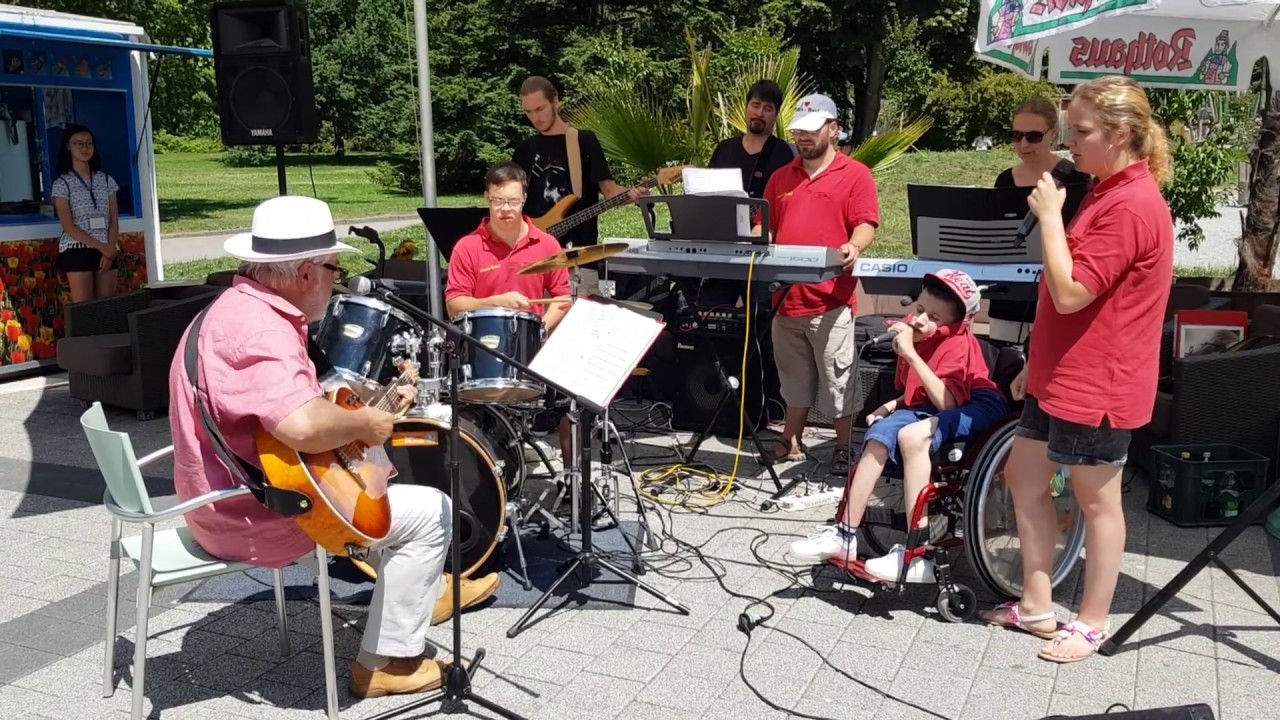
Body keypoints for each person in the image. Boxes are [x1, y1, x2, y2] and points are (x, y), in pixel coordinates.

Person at [168, 196, 500, 699]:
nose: (338, 278)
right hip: (253, 514)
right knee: (433, 512)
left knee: (377, 489)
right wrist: (365, 421)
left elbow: (287, 416)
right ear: (305, 273)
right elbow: (301, 425)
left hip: (223, 496)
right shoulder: (261, 331)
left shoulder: (233, 309)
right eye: (333, 269)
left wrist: (362, 417)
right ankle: (387, 663)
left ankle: (422, 591)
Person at [978, 76, 1174, 664]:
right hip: (1060, 372)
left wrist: (1049, 218)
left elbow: (1070, 293)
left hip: (1098, 382)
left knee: (1097, 502)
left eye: (1081, 132)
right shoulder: (1105, 191)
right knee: (1024, 479)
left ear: (1120, 134)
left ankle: (1091, 623)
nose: (1071, 144)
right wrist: (1037, 362)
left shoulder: (1132, 204)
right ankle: (1037, 604)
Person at [788, 270, 1008, 582]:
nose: (920, 320)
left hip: (977, 404)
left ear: (954, 325)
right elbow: (921, 394)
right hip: (933, 404)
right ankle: (845, 534)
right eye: (919, 309)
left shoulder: (956, 345)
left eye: (934, 318)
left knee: (912, 436)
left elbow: (948, 403)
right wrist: (891, 406)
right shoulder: (919, 334)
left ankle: (917, 553)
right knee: (879, 434)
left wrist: (912, 355)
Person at [762, 93, 879, 476]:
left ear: (834, 129)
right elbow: (765, 226)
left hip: (831, 300)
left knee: (838, 381)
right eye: (799, 131)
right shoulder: (781, 176)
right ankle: (790, 441)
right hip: (785, 300)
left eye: (812, 130)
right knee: (792, 380)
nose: (803, 137)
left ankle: (844, 448)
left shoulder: (856, 174)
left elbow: (866, 222)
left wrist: (854, 245)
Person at [445, 161, 575, 462]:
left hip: (534, 346)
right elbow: (454, 304)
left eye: (513, 201)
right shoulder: (467, 247)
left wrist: (539, 330)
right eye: (498, 201)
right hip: (482, 348)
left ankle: (572, 478)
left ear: (524, 199)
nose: (505, 209)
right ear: (487, 198)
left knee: (574, 402)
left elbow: (562, 298)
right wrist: (494, 302)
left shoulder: (546, 244)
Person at [513, 75, 645, 251]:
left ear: (556, 101)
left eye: (540, 109)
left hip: (579, 253)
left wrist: (636, 195)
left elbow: (610, 191)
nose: (535, 118)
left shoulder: (584, 141)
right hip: (534, 252)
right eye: (528, 112)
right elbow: (512, 202)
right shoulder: (524, 149)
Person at [701, 79, 797, 308]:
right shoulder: (725, 149)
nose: (759, 113)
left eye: (767, 108)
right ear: (746, 108)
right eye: (755, 105)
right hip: (722, 249)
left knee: (760, 317)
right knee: (709, 311)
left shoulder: (784, 153)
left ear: (776, 114)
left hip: (763, 253)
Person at [51, 124, 121, 303]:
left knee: (107, 305)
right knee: (84, 308)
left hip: (107, 250)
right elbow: (68, 226)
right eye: (78, 143)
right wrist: (101, 246)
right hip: (78, 249)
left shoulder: (107, 180)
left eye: (89, 143)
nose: (85, 148)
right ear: (68, 146)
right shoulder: (62, 184)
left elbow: (114, 220)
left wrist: (108, 249)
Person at [994, 97, 1091, 189]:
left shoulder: (1076, 178)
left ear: (1053, 134)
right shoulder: (1004, 181)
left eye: (1034, 136)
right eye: (1017, 135)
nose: (1024, 144)